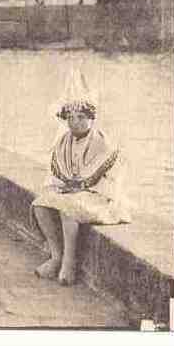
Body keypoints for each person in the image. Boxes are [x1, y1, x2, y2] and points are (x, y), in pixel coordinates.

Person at [31, 70, 130, 286]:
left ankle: (69, 261)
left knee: (70, 209)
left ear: (91, 119)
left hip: (100, 195)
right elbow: (58, 170)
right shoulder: (64, 141)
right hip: (72, 190)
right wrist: (65, 186)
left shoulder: (102, 142)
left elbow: (97, 174)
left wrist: (77, 186)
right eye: (71, 118)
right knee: (41, 204)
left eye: (81, 118)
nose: (75, 122)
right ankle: (56, 255)